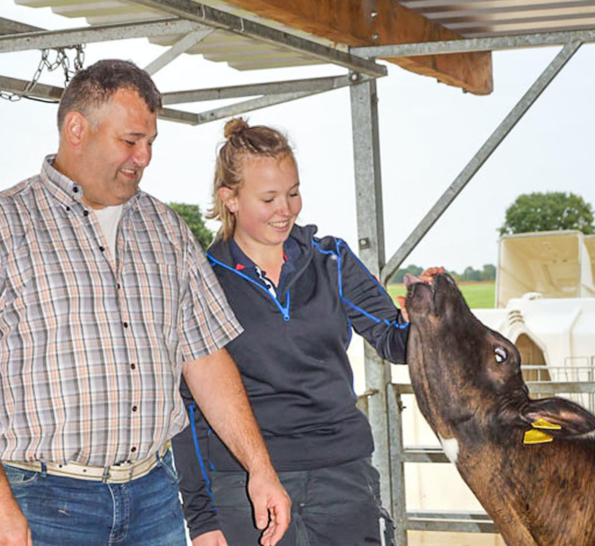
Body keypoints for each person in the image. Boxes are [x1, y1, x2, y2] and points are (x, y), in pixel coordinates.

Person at [0, 61, 290, 546]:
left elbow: (205, 357)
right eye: (130, 140)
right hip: (44, 502)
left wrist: (259, 468)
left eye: (151, 142)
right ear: (77, 128)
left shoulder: (165, 229)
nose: (144, 156)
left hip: (156, 495)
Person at [172, 118, 440, 546]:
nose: (287, 209)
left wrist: (429, 317)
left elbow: (395, 342)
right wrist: (203, 519)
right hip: (246, 488)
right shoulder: (203, 280)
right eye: (269, 198)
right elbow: (188, 407)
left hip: (344, 477)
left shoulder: (331, 261)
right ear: (230, 199)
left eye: (293, 193)